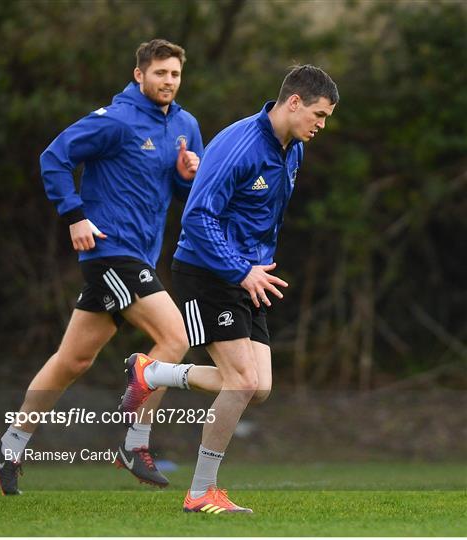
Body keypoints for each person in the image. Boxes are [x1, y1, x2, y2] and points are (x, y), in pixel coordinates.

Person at [0, 38, 209, 495]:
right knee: (175, 337)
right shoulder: (116, 121)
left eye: (175, 74)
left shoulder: (185, 125)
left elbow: (184, 196)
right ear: (138, 74)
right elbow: (54, 157)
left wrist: (188, 178)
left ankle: (9, 446)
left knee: (73, 360)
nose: (168, 81)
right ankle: (135, 442)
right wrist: (75, 215)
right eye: (160, 73)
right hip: (111, 250)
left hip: (139, 254)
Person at [119, 64, 339, 513]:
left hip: (246, 276)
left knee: (258, 388)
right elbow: (198, 217)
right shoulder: (241, 145)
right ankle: (201, 491)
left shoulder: (292, 148)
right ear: (293, 102)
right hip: (207, 271)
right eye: (318, 114)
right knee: (241, 382)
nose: (321, 125)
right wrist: (241, 270)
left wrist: (252, 268)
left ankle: (153, 373)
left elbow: (260, 216)